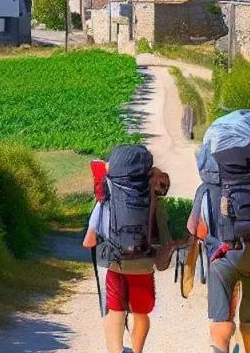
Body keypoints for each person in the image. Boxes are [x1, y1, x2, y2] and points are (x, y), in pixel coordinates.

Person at [182, 110, 250, 353]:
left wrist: (189, 272)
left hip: (221, 257)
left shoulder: (208, 187)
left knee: (221, 320)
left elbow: (195, 230)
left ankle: (220, 348)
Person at [83, 146, 172, 353]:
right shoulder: (152, 191)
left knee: (115, 311)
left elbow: (89, 240)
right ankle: (137, 350)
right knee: (141, 313)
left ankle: (115, 350)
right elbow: (165, 230)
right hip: (143, 262)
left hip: (115, 261)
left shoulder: (109, 190)